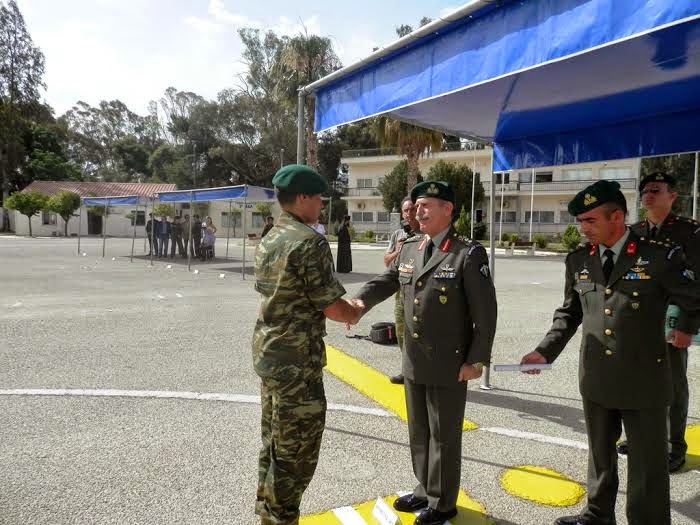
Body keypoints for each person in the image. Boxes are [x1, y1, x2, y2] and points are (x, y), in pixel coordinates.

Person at [519, 179, 700, 525]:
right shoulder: (579, 260)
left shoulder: (658, 256)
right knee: (600, 456)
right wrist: (545, 351)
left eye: (591, 221)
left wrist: (685, 326)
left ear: (617, 217)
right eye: (581, 222)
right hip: (596, 377)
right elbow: (569, 313)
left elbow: (694, 295)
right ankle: (598, 515)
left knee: (647, 466)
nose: (583, 229)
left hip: (643, 378)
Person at [352, 181, 497, 525]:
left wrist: (476, 360)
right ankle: (424, 487)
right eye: (416, 205)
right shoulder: (410, 247)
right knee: (419, 430)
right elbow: (387, 281)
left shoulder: (467, 253)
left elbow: (485, 312)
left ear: (448, 209)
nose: (419, 210)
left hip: (450, 361)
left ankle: (443, 502)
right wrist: (359, 302)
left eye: (427, 204)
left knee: (444, 434)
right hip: (414, 357)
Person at [252, 164, 364, 525]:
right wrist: (354, 311)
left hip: (271, 354)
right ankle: (281, 519)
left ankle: (267, 513)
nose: (321, 205)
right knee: (296, 451)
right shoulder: (308, 240)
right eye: (318, 198)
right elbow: (331, 306)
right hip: (297, 363)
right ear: (302, 198)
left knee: (273, 442)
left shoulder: (271, 236)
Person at [616, 172, 700, 472]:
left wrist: (687, 326)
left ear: (672, 196)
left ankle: (675, 446)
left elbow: (697, 282)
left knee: (672, 385)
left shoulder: (689, 232)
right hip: (638, 321)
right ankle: (640, 437)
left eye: (655, 190)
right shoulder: (635, 231)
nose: (647, 195)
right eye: (644, 190)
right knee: (637, 381)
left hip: (672, 321)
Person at [384, 196, 421, 384]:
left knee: (418, 333)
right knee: (400, 330)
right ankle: (407, 371)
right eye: (405, 210)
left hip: (418, 291)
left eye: (412, 209)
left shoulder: (425, 233)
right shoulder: (398, 235)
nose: (409, 214)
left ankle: (419, 373)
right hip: (400, 289)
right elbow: (387, 261)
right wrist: (399, 250)